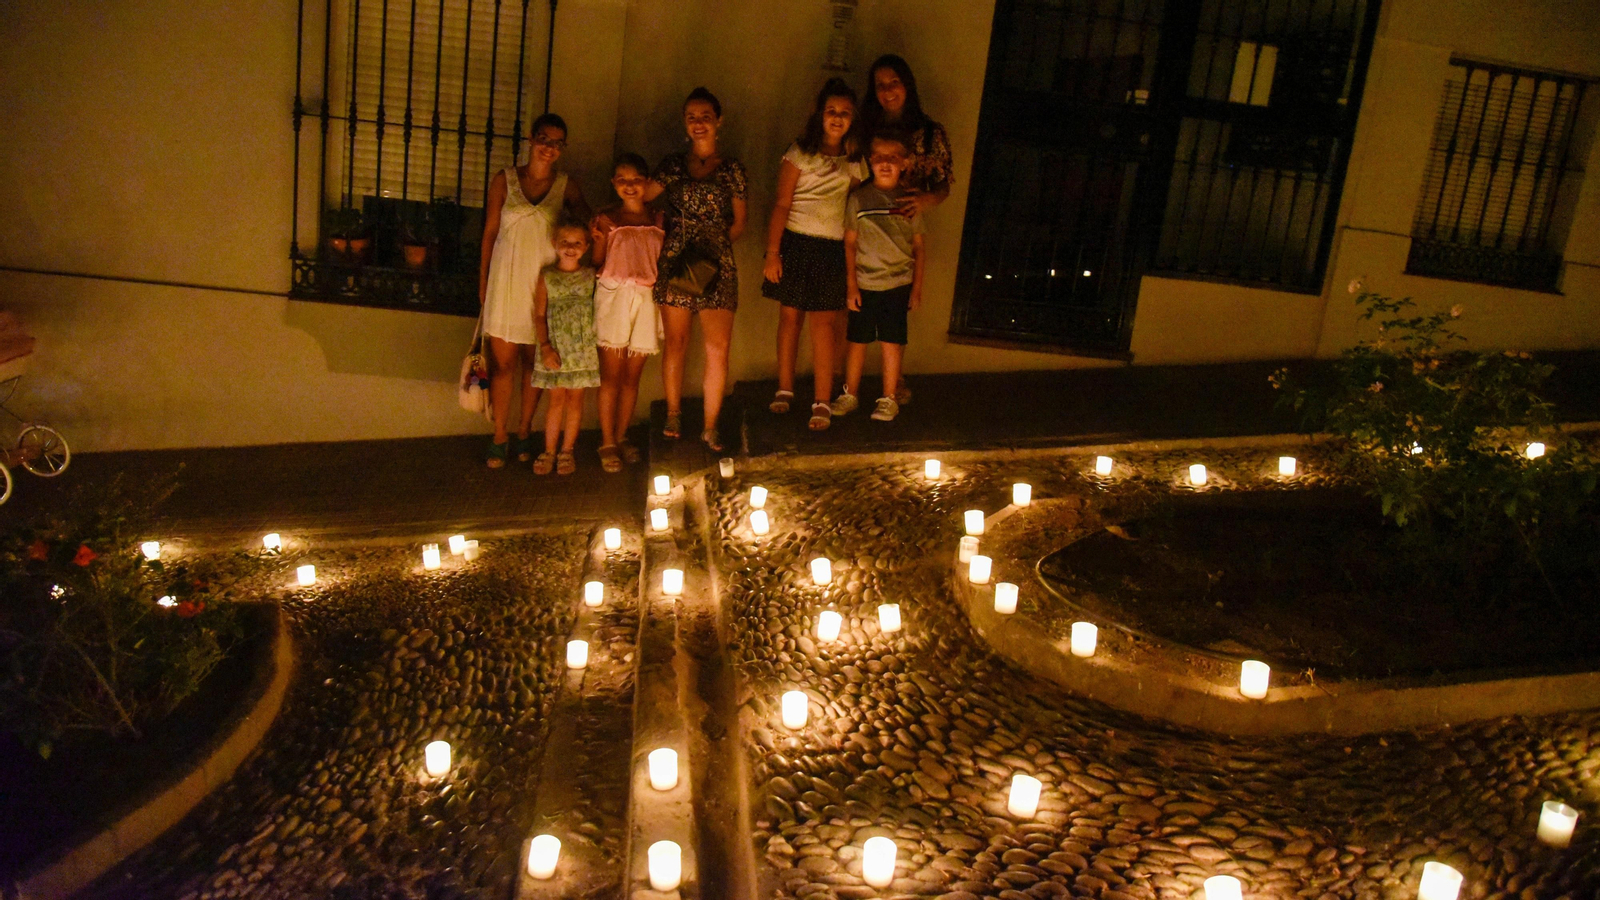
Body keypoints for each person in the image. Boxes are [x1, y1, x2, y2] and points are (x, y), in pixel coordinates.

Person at [478, 112, 590, 468]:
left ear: (563, 149)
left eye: (558, 143)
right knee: (503, 365)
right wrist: (482, 282)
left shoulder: (566, 186)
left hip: (546, 286)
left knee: (534, 365)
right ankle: (499, 435)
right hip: (506, 281)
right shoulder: (505, 180)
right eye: (544, 139)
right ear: (531, 139)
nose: (549, 148)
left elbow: (589, 226)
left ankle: (525, 430)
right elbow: (490, 233)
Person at [762, 78, 868, 432]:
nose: (837, 118)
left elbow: (852, 206)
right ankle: (785, 387)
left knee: (824, 325)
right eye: (831, 111)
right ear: (819, 115)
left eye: (845, 113)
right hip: (795, 243)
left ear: (854, 118)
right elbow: (781, 203)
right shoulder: (800, 153)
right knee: (790, 318)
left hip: (831, 250)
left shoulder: (854, 161)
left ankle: (821, 399)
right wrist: (773, 253)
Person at [646, 87, 748, 453]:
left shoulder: (732, 169)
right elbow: (640, 196)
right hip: (676, 259)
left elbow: (739, 223)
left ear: (718, 121)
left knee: (717, 348)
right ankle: (673, 413)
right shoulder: (673, 165)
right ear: (685, 123)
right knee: (676, 343)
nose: (698, 123)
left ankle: (710, 425)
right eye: (692, 117)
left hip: (717, 263)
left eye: (705, 116)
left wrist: (711, 250)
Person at [859, 54, 953, 408]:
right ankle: (850, 381)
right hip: (866, 227)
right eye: (880, 85)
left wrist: (927, 200)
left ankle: (894, 379)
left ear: (907, 85)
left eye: (893, 82)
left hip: (903, 233)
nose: (887, 91)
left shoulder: (929, 134)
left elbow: (944, 184)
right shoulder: (866, 129)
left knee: (897, 305)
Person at [833, 131, 925, 423]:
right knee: (857, 341)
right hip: (864, 283)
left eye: (892, 158)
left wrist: (917, 288)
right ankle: (851, 394)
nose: (885, 163)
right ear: (870, 161)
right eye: (879, 157)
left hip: (898, 284)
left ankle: (889, 397)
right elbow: (849, 243)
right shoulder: (859, 199)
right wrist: (851, 285)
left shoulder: (910, 202)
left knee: (891, 342)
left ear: (904, 163)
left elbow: (920, 247)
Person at [591, 153, 666, 473]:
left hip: (648, 299)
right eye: (622, 180)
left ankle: (622, 435)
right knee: (611, 375)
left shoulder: (660, 219)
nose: (629, 186)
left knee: (632, 377)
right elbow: (596, 262)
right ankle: (607, 440)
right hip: (613, 297)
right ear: (614, 184)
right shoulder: (606, 219)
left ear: (647, 183)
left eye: (636, 179)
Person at [529, 220, 600, 475]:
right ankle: (549, 450)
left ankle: (567, 450)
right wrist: (546, 347)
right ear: (554, 244)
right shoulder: (547, 276)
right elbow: (539, 315)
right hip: (556, 348)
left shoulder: (591, 275)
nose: (571, 248)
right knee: (556, 400)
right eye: (565, 242)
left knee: (576, 401)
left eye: (577, 243)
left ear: (586, 246)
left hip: (582, 349)